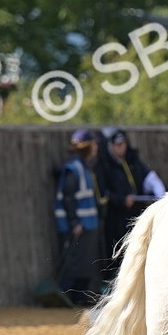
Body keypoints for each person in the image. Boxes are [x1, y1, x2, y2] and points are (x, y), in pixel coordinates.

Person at [98, 127, 164, 281]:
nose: (121, 148)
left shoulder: (132, 161)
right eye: (117, 145)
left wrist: (160, 194)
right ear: (110, 146)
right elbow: (103, 194)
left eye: (123, 144)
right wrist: (121, 200)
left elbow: (149, 179)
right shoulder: (104, 165)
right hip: (115, 218)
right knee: (116, 251)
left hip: (135, 214)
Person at [53, 129, 104, 307]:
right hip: (77, 226)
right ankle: (65, 295)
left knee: (85, 263)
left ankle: (80, 296)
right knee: (73, 262)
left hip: (88, 224)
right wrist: (74, 222)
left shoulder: (84, 168)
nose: (97, 147)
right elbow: (67, 198)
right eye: (94, 144)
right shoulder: (73, 170)